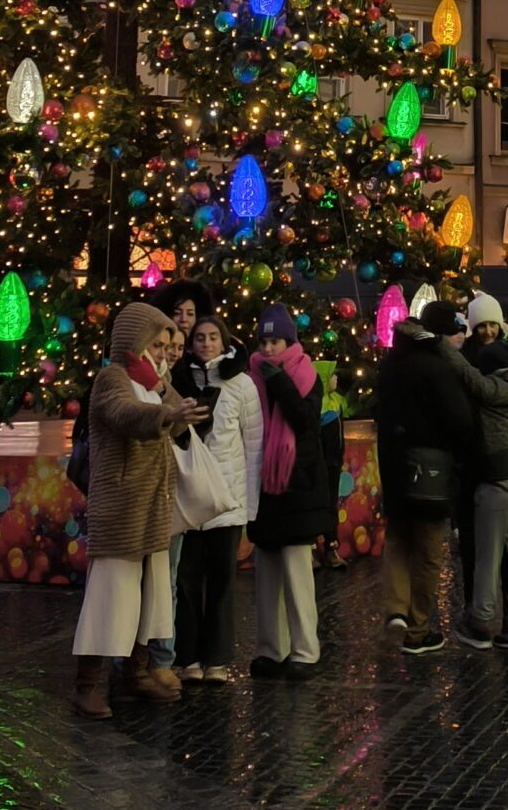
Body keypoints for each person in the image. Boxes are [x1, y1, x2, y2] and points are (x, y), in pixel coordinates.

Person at [70, 301, 205, 718]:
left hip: (152, 507)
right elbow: (125, 415)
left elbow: (181, 420)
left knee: (150, 598)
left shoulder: (154, 380)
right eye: (158, 342)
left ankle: (136, 673)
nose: (165, 351)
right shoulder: (112, 379)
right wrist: (165, 410)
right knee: (111, 597)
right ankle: (86, 683)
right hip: (122, 507)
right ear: (136, 339)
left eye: (168, 344)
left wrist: (166, 394)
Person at [375, 294, 478, 655]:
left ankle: (395, 612)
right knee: (429, 550)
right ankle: (418, 630)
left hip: (393, 465)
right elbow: (460, 420)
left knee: (398, 541)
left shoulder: (391, 362)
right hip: (431, 471)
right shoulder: (437, 367)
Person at [170, 314, 263, 680]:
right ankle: (188, 656)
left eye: (212, 337)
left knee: (223, 582)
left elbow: (253, 445)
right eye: (199, 338)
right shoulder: (180, 381)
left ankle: (218, 658)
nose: (206, 343)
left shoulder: (243, 385)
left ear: (224, 342)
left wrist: (250, 509)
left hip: (228, 499)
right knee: (187, 579)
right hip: (191, 497)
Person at [446, 293, 508, 651]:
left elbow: (471, 383)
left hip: (493, 475)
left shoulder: (483, 378)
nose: (485, 331)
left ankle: (480, 623)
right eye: (480, 324)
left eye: (491, 325)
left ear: (499, 326)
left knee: (487, 556)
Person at [243, 303, 331, 676]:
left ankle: (305, 650)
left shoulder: (307, 375)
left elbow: (304, 419)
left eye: (275, 340)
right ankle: (270, 648)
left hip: (299, 486)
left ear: (290, 341)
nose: (269, 348)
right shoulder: (250, 378)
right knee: (267, 575)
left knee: (297, 573)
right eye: (264, 341)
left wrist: (278, 382)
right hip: (264, 487)